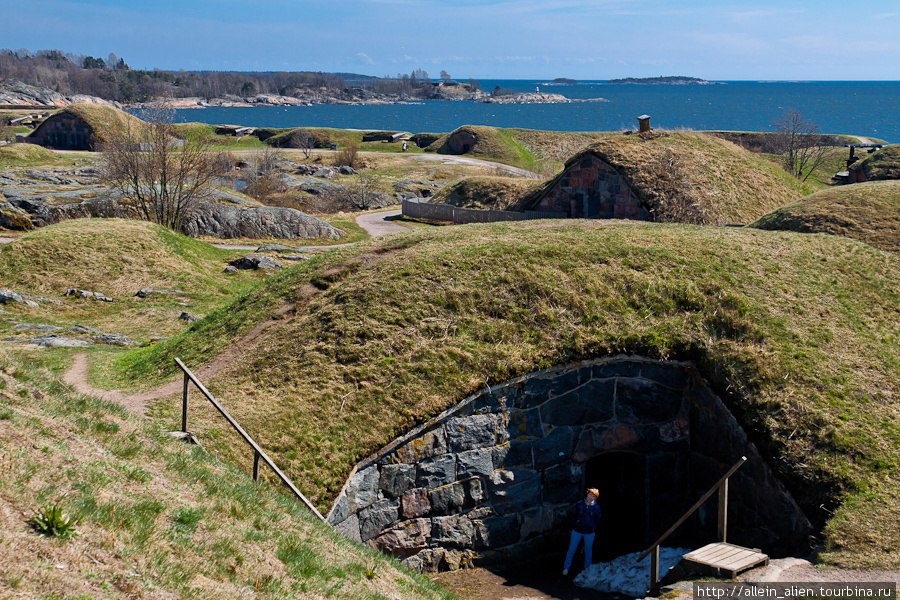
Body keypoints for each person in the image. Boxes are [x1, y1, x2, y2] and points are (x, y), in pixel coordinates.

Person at [562, 488, 602, 576]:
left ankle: (587, 569)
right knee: (572, 548)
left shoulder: (596, 508)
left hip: (589, 532)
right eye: (590, 495)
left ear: (596, 498)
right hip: (577, 530)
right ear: (587, 494)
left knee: (588, 550)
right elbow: (574, 515)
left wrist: (593, 527)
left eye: (594, 496)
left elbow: (598, 519)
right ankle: (566, 567)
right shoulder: (580, 504)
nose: (591, 497)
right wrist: (575, 524)